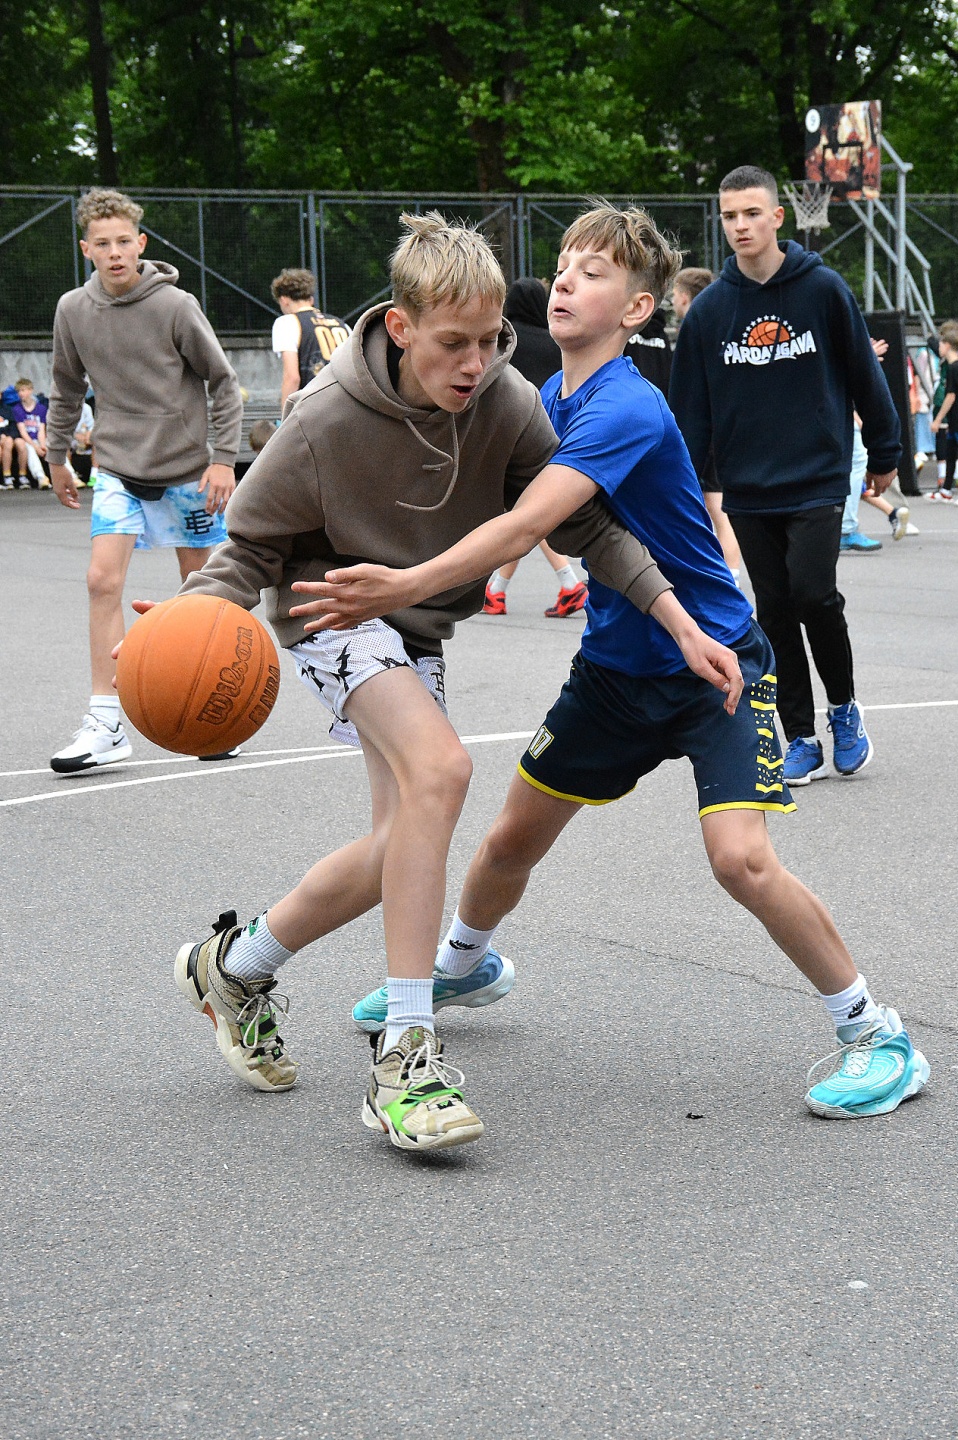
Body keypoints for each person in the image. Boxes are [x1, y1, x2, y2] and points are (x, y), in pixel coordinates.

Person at [317, 201, 929, 1123]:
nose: (566, 279)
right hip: (613, 670)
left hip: (714, 662)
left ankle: (877, 1033)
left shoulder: (627, 405)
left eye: (594, 271)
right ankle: (463, 966)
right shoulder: (542, 400)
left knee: (740, 860)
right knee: (509, 841)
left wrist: (402, 585)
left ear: (639, 309)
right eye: (565, 262)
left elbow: (527, 524)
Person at [162, 211, 742, 1153]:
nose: (475, 363)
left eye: (489, 340)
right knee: (443, 773)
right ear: (400, 327)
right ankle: (405, 1059)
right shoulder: (323, 419)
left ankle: (236, 965)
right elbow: (249, 547)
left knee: (403, 840)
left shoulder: (507, 401)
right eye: (452, 344)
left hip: (418, 624)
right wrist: (191, 621)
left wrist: (678, 621)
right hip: (333, 609)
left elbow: (589, 529)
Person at [670, 165, 901, 787]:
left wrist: (885, 451)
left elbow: (864, 372)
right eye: (730, 216)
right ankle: (800, 735)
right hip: (748, 487)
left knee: (812, 594)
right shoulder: (709, 313)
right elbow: (690, 413)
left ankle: (844, 710)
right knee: (772, 609)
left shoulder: (822, 290)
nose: (740, 225)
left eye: (752, 213)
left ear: (777, 216)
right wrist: (683, 487)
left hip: (818, 475)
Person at [45, 186, 243, 773]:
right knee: (100, 580)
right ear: (86, 249)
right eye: (102, 244)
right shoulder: (72, 310)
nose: (114, 252)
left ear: (141, 243)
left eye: (124, 241)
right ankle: (106, 720)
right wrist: (57, 456)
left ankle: (209, 713)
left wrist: (223, 459)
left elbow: (223, 382)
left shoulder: (176, 306)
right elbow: (65, 389)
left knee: (200, 593)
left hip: (187, 472)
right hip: (117, 470)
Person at [482, 278, 587, 618]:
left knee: (529, 515)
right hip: (553, 434)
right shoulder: (553, 342)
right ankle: (496, 590)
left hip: (514, 435)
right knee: (524, 513)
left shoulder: (505, 341)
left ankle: (569, 581)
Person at [670, 268, 742, 581]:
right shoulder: (721, 326)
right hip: (718, 428)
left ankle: (729, 579)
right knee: (715, 508)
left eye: (675, 294)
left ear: (685, 297)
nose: (673, 300)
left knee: (714, 509)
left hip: (707, 430)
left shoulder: (697, 330)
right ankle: (728, 578)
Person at [270, 268, 350, 409]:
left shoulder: (286, 322)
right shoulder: (342, 324)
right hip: (347, 405)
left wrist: (285, 417)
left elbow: (292, 378)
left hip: (314, 407)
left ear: (284, 300)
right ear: (311, 299)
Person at [929, 321, 958, 501]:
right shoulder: (951, 367)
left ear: (947, 345)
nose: (938, 346)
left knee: (951, 451)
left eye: (940, 343)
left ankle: (946, 488)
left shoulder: (954, 367)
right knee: (951, 453)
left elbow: (951, 396)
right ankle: (946, 488)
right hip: (954, 420)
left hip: (955, 418)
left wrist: (938, 419)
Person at [13, 378, 52, 488]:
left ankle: (72, 476)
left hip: (39, 439)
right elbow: (23, 432)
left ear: (30, 390)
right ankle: (41, 477)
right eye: (19, 391)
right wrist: (36, 447)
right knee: (29, 449)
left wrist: (42, 445)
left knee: (53, 446)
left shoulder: (41, 408)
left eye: (23, 390)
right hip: (28, 440)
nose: (21, 394)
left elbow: (41, 430)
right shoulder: (17, 409)